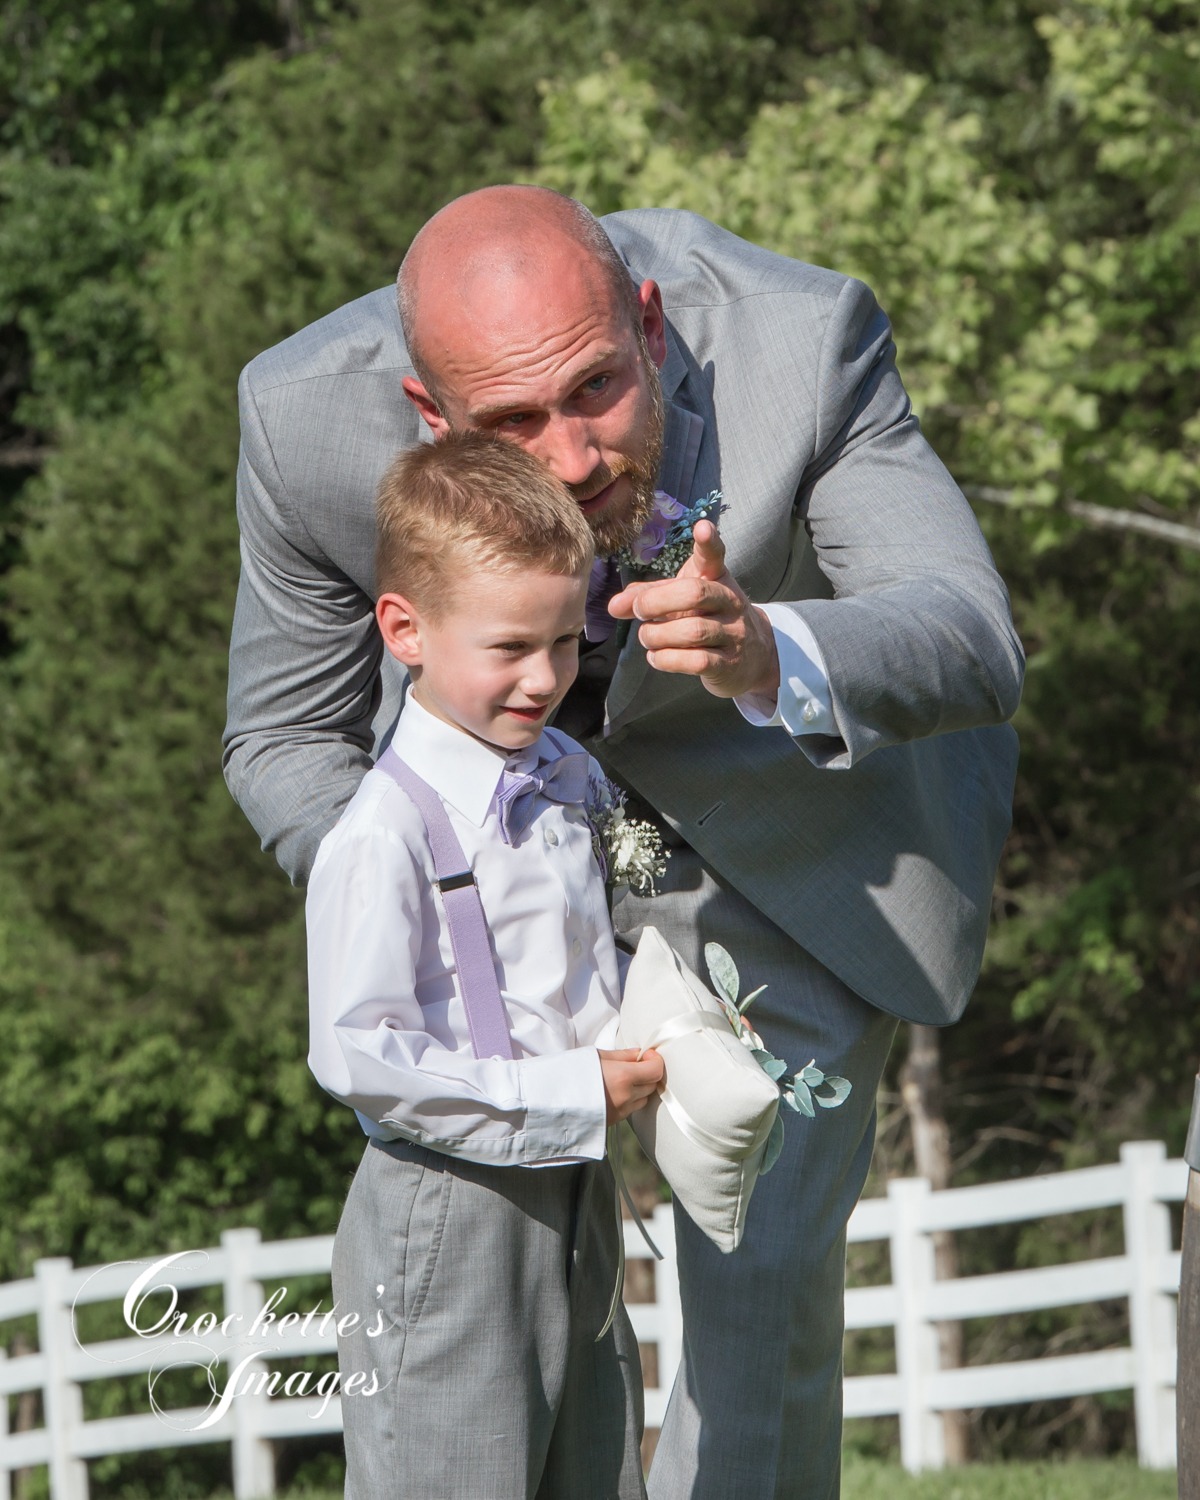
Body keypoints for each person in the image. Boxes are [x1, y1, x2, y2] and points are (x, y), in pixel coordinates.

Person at [225, 185, 1024, 1499]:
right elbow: (284, 739)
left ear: (646, 322)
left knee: (754, 1306)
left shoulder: (802, 342)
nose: (576, 455)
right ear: (431, 419)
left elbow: (967, 630)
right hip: (485, 882)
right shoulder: (306, 422)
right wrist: (429, 897)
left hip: (783, 846)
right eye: (514, 426)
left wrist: (770, 648)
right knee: (492, 1321)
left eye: (598, 388)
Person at [306, 431, 663, 1499]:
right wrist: (568, 1091)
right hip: (447, 1206)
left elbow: (604, 942)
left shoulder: (566, 774)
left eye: (565, 641)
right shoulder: (382, 834)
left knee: (595, 1461)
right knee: (454, 1473)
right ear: (405, 631)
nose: (546, 677)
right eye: (510, 647)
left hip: (577, 1182)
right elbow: (359, 1055)